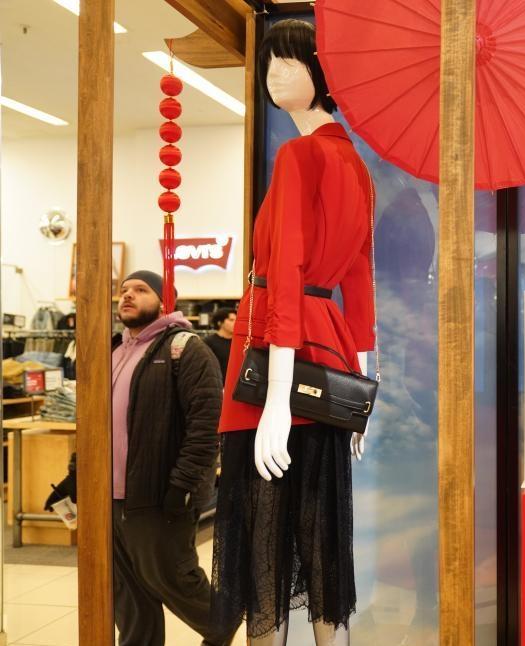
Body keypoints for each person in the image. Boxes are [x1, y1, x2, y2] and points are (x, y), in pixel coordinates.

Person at [211, 19, 375, 646]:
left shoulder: (299, 156)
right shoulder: (356, 167)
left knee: (264, 537)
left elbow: (284, 275)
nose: (274, 73)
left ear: (321, 74)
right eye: (269, 63)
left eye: (290, 61)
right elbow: (359, 286)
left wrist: (277, 401)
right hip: (327, 356)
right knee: (321, 528)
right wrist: (361, 391)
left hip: (275, 356)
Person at [111, 270, 232, 646]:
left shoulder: (186, 348)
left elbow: (206, 423)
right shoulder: (114, 350)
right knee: (129, 594)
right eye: (124, 290)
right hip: (112, 497)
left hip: (158, 494)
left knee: (172, 577)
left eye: (140, 289)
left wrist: (183, 484)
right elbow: (97, 419)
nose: (128, 295)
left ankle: (222, 625)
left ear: (165, 301)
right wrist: (76, 472)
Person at [204, 307, 236, 383]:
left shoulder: (239, 343)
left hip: (235, 384)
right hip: (218, 383)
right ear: (220, 322)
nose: (235, 323)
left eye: (236, 320)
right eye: (231, 320)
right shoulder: (209, 342)